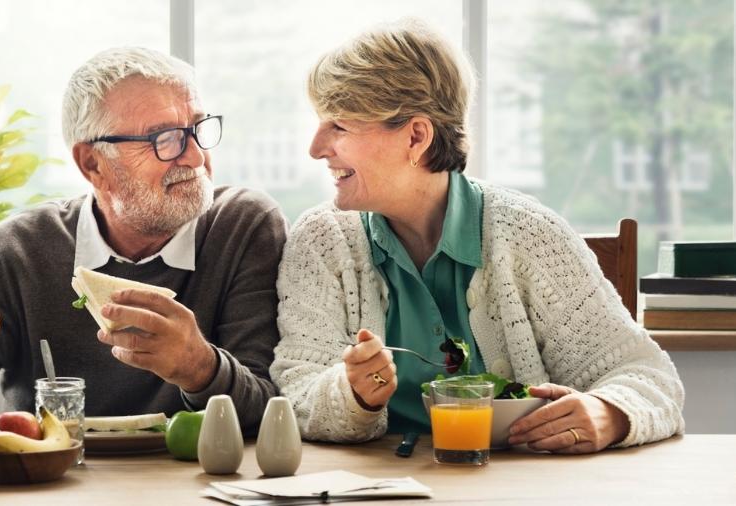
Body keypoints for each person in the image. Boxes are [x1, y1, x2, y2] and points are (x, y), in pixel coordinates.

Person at [271, 19, 684, 452]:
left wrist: (610, 411)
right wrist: (352, 394)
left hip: (518, 489)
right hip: (371, 489)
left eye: (338, 126)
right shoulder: (321, 241)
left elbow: (647, 375)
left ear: (416, 136)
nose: (316, 148)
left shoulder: (531, 234)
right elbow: (295, 391)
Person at [0, 47, 288, 434]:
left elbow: (272, 415)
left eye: (197, 129)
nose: (196, 157)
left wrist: (199, 367)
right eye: (164, 139)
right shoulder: (20, 249)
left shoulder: (243, 226)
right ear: (92, 163)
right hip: (49, 484)